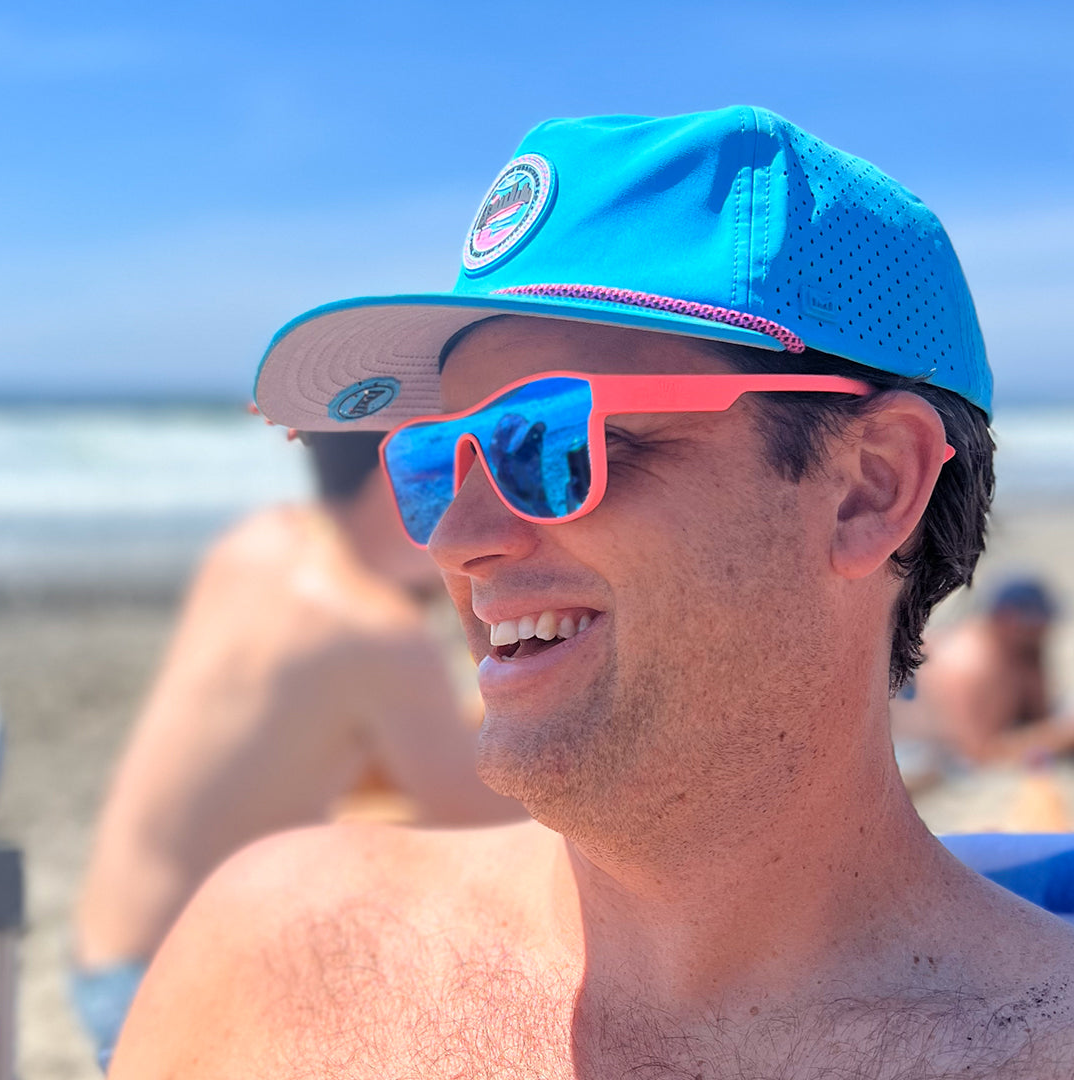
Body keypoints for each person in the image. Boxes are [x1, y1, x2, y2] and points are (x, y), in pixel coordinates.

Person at [111, 108, 1074, 1077]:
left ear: (870, 488)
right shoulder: (278, 959)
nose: (455, 541)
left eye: (553, 442)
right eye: (436, 460)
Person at [74, 430, 524, 1070]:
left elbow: (291, 735)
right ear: (391, 488)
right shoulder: (372, 630)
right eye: (436, 481)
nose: (461, 526)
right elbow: (482, 810)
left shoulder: (259, 543)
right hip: (176, 977)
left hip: (106, 940)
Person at [893, 576, 1074, 768]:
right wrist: (1061, 735)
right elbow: (980, 755)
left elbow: (1038, 715)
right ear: (1009, 619)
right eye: (1036, 623)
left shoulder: (1022, 651)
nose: (1044, 630)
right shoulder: (968, 665)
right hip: (929, 757)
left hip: (980, 748)